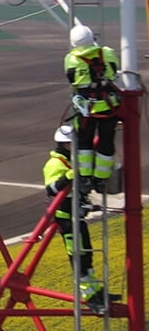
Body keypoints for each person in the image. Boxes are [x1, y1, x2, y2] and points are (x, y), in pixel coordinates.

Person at [43, 124, 116, 312]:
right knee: (78, 258)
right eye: (71, 144)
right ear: (64, 145)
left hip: (77, 214)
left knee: (87, 254)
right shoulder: (55, 164)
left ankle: (97, 291)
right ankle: (90, 298)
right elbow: (51, 189)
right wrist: (69, 175)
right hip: (65, 218)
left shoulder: (72, 160)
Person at [64, 24, 120, 193]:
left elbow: (72, 79)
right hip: (108, 107)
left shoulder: (71, 59)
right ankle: (101, 179)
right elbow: (114, 72)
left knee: (84, 142)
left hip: (85, 110)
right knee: (106, 141)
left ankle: (85, 177)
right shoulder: (107, 53)